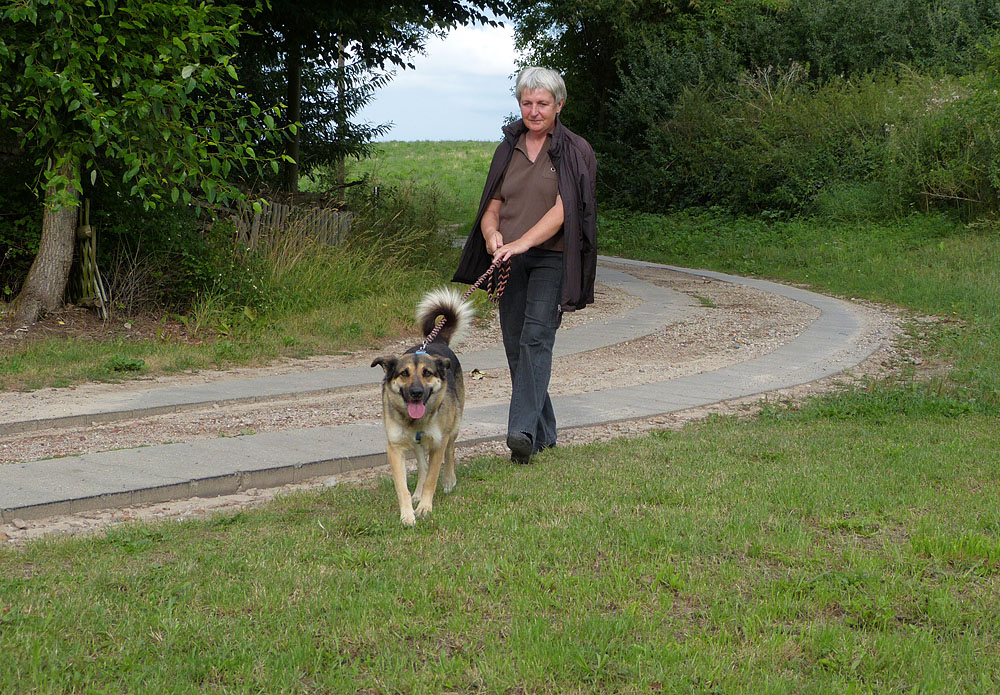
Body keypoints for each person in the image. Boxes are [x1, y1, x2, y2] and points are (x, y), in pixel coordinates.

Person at [452, 67, 597, 464]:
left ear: (559, 105)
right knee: (517, 345)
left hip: (552, 257)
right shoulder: (508, 148)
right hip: (509, 260)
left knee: (536, 339)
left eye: (542, 103)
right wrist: (492, 235)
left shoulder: (575, 150)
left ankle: (521, 434)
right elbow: (493, 204)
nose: (534, 111)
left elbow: (566, 209)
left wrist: (523, 242)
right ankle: (545, 432)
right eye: (527, 103)